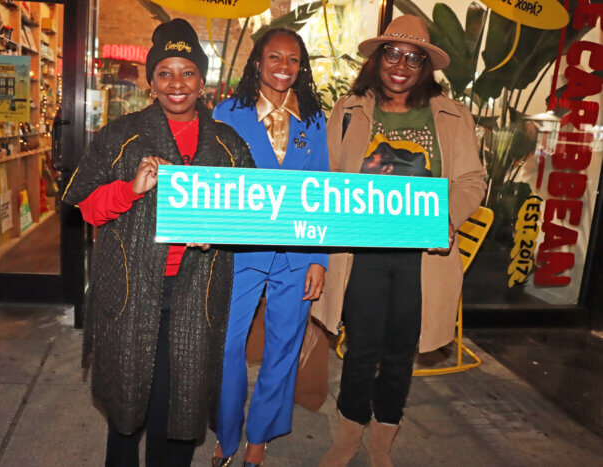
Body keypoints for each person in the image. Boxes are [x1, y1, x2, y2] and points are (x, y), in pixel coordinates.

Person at [62, 19, 254, 467]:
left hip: (194, 296)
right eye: (165, 72)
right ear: (151, 81)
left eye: (187, 71)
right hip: (130, 294)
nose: (176, 84)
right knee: (127, 409)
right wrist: (130, 189)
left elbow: (250, 217)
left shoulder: (227, 145)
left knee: (180, 407)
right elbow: (85, 205)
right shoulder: (121, 134)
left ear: (201, 80)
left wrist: (218, 233)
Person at [316, 15, 486, 467]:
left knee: (398, 354)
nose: (401, 65)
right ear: (377, 58)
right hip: (361, 253)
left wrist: (447, 215)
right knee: (361, 349)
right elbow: (327, 176)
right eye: (392, 53)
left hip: (422, 257)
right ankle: (348, 436)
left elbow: (471, 180)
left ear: (426, 66)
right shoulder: (350, 110)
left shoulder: (452, 115)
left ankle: (382, 444)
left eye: (414, 58)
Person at [210, 28, 329, 466]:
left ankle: (259, 438)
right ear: (257, 62)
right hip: (239, 254)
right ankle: (226, 432)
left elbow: (323, 191)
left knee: (283, 347)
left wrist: (319, 258)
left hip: (297, 255)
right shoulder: (228, 113)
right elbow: (214, 185)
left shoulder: (314, 119)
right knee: (226, 347)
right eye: (274, 57)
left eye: (293, 59)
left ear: (302, 66)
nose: (284, 66)